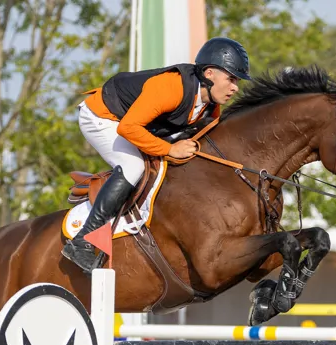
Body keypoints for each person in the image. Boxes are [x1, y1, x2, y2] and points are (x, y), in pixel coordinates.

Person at [61, 37, 252, 272]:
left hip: (134, 124)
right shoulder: (171, 87)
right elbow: (128, 128)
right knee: (133, 166)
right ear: (210, 73)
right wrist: (170, 149)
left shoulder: (210, 107)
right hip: (103, 117)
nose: (235, 87)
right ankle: (82, 242)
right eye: (231, 79)